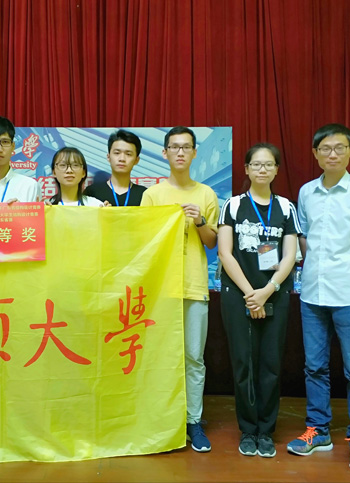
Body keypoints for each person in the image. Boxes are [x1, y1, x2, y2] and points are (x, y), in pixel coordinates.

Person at [287, 124, 350, 472]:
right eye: (325, 149)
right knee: (314, 367)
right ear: (315, 154)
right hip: (312, 294)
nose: (332, 154)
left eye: (339, 148)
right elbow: (304, 236)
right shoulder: (306, 192)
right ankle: (318, 430)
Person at [217, 143, 301, 457]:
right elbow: (225, 253)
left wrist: (268, 290)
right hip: (238, 294)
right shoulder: (233, 205)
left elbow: (290, 255)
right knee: (243, 363)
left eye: (268, 165)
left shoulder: (286, 207)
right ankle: (247, 429)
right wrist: (250, 294)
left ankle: (265, 430)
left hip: (275, 293)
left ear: (277, 170)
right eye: (256, 164)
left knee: (270, 364)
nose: (262, 169)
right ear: (247, 169)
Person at [140, 126, 219, 452]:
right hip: (160, 288)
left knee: (193, 358)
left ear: (195, 153)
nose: (181, 152)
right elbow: (143, 240)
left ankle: (193, 420)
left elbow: (212, 243)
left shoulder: (206, 194)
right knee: (157, 355)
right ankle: (160, 418)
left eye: (187, 147)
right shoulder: (152, 195)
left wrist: (199, 221)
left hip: (194, 285)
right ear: (165, 153)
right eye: (175, 147)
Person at [83, 129, 146, 206]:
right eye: (117, 153)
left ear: (136, 160)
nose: (122, 159)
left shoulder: (144, 194)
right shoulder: (92, 192)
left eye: (128, 154)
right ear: (108, 157)